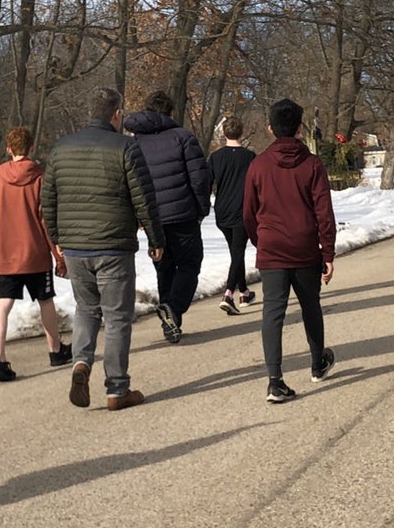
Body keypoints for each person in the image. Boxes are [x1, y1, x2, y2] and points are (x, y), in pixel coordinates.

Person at [41, 87, 165, 410]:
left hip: (75, 247)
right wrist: (156, 239)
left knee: (86, 309)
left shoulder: (61, 148)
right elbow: (143, 198)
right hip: (114, 246)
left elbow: (48, 200)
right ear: (117, 114)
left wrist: (58, 238)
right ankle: (117, 389)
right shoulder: (126, 147)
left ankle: (81, 363)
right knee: (117, 317)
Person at [243, 99, 337, 403]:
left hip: (271, 247)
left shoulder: (258, 165)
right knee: (310, 306)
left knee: (273, 312)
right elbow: (324, 212)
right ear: (299, 128)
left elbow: (249, 213)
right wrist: (328, 253)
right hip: (305, 247)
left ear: (270, 128)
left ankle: (275, 380)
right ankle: (317, 364)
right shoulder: (312, 164)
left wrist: (261, 241)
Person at [123, 90, 211, 343]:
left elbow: (129, 182)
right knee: (190, 264)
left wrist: (138, 216)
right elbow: (199, 178)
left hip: (152, 218)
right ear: (170, 112)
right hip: (183, 214)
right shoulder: (183, 137)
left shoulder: (133, 144)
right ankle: (173, 308)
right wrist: (201, 210)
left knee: (164, 269)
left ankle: (171, 324)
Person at [0, 126, 72, 381]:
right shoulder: (39, 177)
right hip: (34, 252)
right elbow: (46, 219)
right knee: (45, 300)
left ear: (8, 149)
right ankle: (55, 350)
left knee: (3, 303)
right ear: (31, 147)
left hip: (6, 253)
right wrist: (58, 255)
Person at [209, 116, 258, 315]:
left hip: (222, 210)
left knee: (235, 251)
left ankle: (244, 292)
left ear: (224, 133)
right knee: (237, 252)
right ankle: (229, 294)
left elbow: (207, 183)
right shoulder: (250, 157)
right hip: (242, 209)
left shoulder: (215, 157)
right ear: (241, 132)